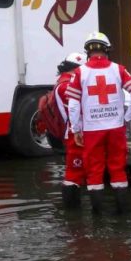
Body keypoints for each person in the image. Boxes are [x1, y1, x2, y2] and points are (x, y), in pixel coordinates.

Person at [66, 31, 131, 215]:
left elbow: (73, 105)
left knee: (94, 171)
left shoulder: (79, 73)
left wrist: (76, 129)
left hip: (91, 130)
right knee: (118, 169)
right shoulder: (119, 69)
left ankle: (98, 218)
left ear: (88, 51)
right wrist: (126, 118)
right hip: (116, 128)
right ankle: (123, 214)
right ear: (107, 49)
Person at [54, 52, 86, 209]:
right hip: (75, 133)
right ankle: (72, 214)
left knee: (77, 172)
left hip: (74, 131)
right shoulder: (67, 86)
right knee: (73, 173)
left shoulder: (63, 82)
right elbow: (78, 109)